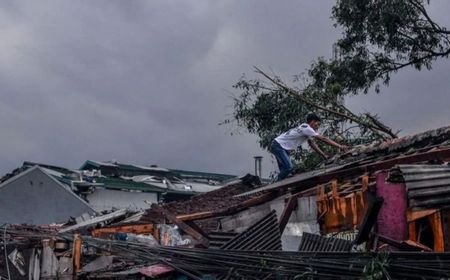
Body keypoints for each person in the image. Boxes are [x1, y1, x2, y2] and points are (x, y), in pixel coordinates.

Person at [270, 113, 348, 181]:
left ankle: (280, 186)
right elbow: (323, 139)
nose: (317, 127)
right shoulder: (308, 129)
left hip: (282, 146)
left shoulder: (304, 127)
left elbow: (312, 144)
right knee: (289, 168)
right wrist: (340, 146)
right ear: (312, 122)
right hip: (279, 146)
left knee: (285, 171)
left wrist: (323, 154)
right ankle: (275, 184)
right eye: (317, 124)